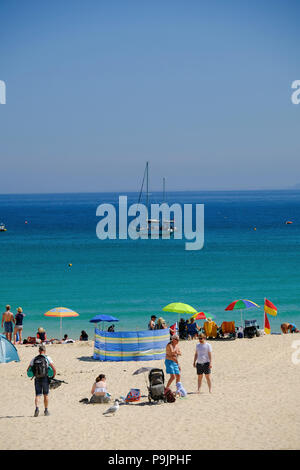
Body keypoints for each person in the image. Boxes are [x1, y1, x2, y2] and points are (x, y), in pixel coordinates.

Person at [27, 344, 56, 417]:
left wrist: (34, 373)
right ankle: (46, 410)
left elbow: (28, 370)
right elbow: (54, 369)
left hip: (37, 378)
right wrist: (52, 376)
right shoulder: (47, 358)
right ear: (45, 351)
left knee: (38, 395)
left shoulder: (34, 359)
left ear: (39, 351)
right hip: (45, 378)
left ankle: (37, 409)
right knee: (45, 395)